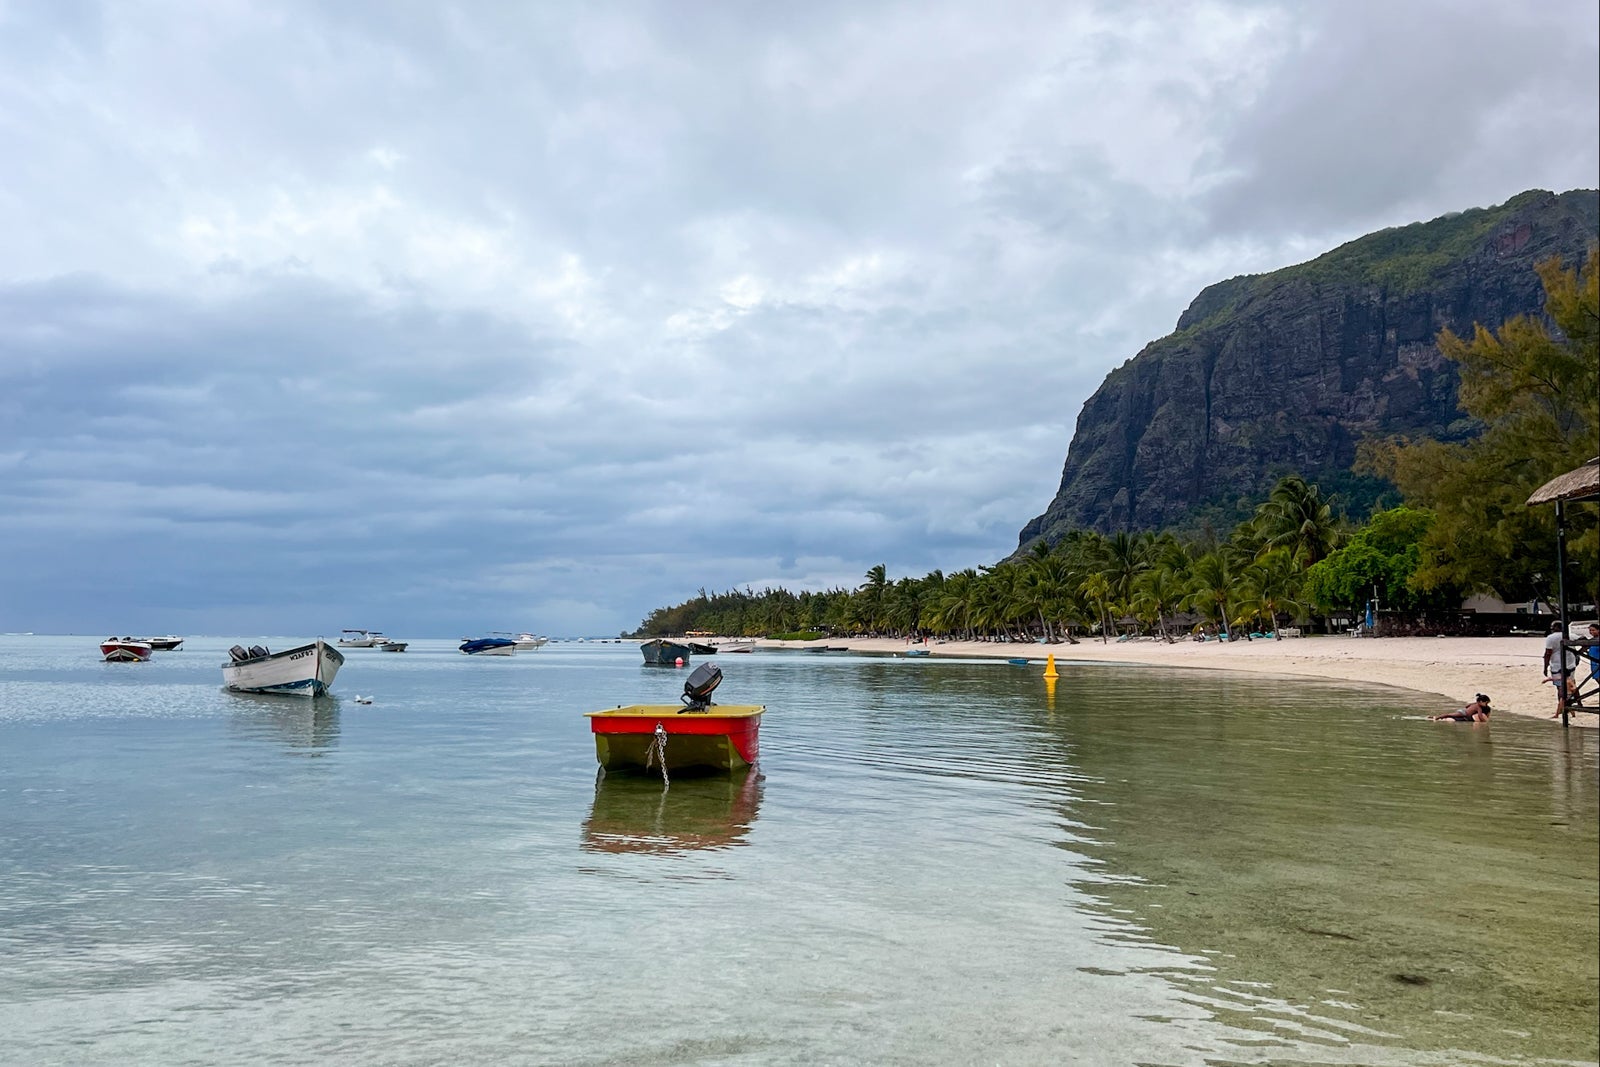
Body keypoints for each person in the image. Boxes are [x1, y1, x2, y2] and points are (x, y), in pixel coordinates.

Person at [1544, 621, 1579, 713]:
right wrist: (1578, 652)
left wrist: (1545, 667)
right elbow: (1584, 639)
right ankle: (1578, 702)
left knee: (1560, 687)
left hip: (1556, 664)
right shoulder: (1571, 635)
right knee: (1572, 683)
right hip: (1570, 663)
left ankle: (1563, 706)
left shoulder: (1551, 637)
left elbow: (1548, 653)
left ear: (1556, 627)